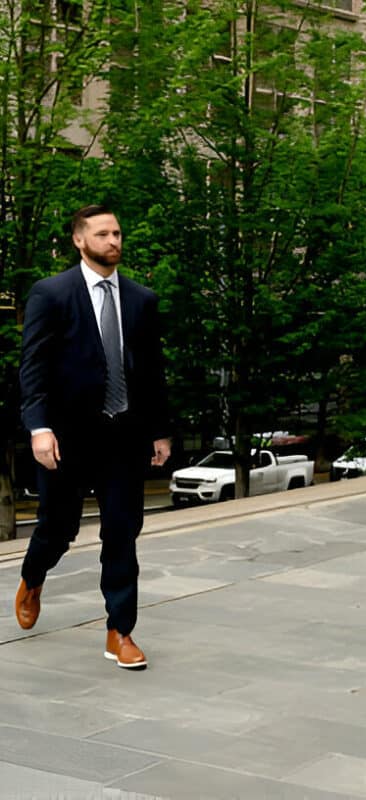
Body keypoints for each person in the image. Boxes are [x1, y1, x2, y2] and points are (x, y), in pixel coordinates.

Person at [15, 205, 171, 669]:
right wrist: (39, 428)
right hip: (67, 439)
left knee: (122, 532)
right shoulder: (52, 294)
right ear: (80, 240)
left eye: (118, 232)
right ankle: (33, 575)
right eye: (103, 233)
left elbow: (153, 373)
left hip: (124, 437)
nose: (114, 241)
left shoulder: (142, 299)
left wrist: (160, 431)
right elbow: (34, 368)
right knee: (57, 527)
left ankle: (119, 632)